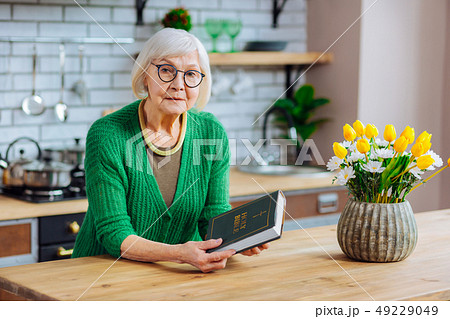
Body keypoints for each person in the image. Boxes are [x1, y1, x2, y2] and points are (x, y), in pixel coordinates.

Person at [72, 28, 268, 273]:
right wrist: (179, 254)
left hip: (173, 277)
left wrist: (236, 240)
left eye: (191, 74)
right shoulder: (107, 134)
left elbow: (213, 213)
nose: (179, 85)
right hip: (101, 273)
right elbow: (114, 232)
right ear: (145, 75)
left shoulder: (211, 131)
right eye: (166, 71)